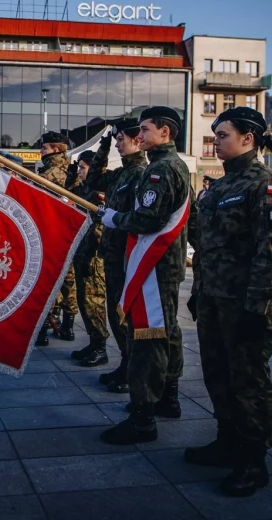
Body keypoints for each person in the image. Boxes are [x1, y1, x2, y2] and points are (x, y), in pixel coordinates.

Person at [185, 107, 272, 497]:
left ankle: (253, 460)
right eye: (216, 135)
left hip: (246, 306)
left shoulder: (266, 186)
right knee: (218, 375)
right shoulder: (219, 187)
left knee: (249, 382)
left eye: (223, 135)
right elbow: (208, 248)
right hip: (215, 300)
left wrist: (258, 306)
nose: (217, 142)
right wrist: (200, 292)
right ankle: (227, 441)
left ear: (248, 138)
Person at [98, 106, 190, 445]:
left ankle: (143, 417)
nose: (140, 136)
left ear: (164, 132)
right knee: (162, 335)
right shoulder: (167, 166)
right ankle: (166, 398)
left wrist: (113, 220)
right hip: (162, 267)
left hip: (155, 269)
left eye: (145, 129)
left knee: (148, 340)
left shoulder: (161, 170)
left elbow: (146, 221)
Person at [87, 118, 147, 393]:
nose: (118, 143)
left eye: (121, 138)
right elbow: (94, 180)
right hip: (111, 256)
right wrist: (105, 143)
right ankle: (125, 364)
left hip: (127, 258)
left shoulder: (141, 173)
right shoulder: (121, 173)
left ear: (137, 140)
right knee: (115, 314)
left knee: (126, 318)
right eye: (117, 139)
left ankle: (131, 369)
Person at [34, 131, 79, 346]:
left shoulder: (47, 176)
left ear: (56, 149)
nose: (41, 152)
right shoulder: (74, 173)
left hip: (49, 236)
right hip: (69, 236)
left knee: (47, 283)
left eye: (44, 148)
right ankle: (68, 328)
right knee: (69, 282)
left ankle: (42, 331)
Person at [70, 149, 110, 367]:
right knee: (85, 302)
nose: (79, 171)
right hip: (83, 252)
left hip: (94, 257)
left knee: (94, 302)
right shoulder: (85, 189)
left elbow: (101, 224)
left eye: (82, 167)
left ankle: (100, 347)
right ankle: (94, 343)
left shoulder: (98, 192)